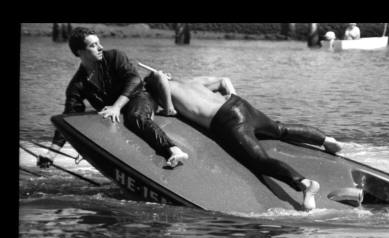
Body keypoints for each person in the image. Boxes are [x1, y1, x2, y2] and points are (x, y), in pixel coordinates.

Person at [143, 69, 343, 211]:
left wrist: (168, 106)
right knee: (279, 129)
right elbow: (224, 81)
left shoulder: (165, 90)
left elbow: (160, 79)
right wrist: (235, 101)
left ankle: (305, 184)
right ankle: (325, 140)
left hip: (227, 120)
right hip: (239, 104)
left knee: (258, 161)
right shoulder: (192, 82)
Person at [37, 27, 188, 170]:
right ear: (80, 52)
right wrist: (52, 154)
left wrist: (116, 106)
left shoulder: (115, 56)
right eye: (93, 45)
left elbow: (135, 81)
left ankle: (174, 151)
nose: (100, 47)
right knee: (102, 123)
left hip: (139, 98)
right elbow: (69, 117)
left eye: (99, 43)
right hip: (116, 115)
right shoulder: (77, 84)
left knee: (135, 117)